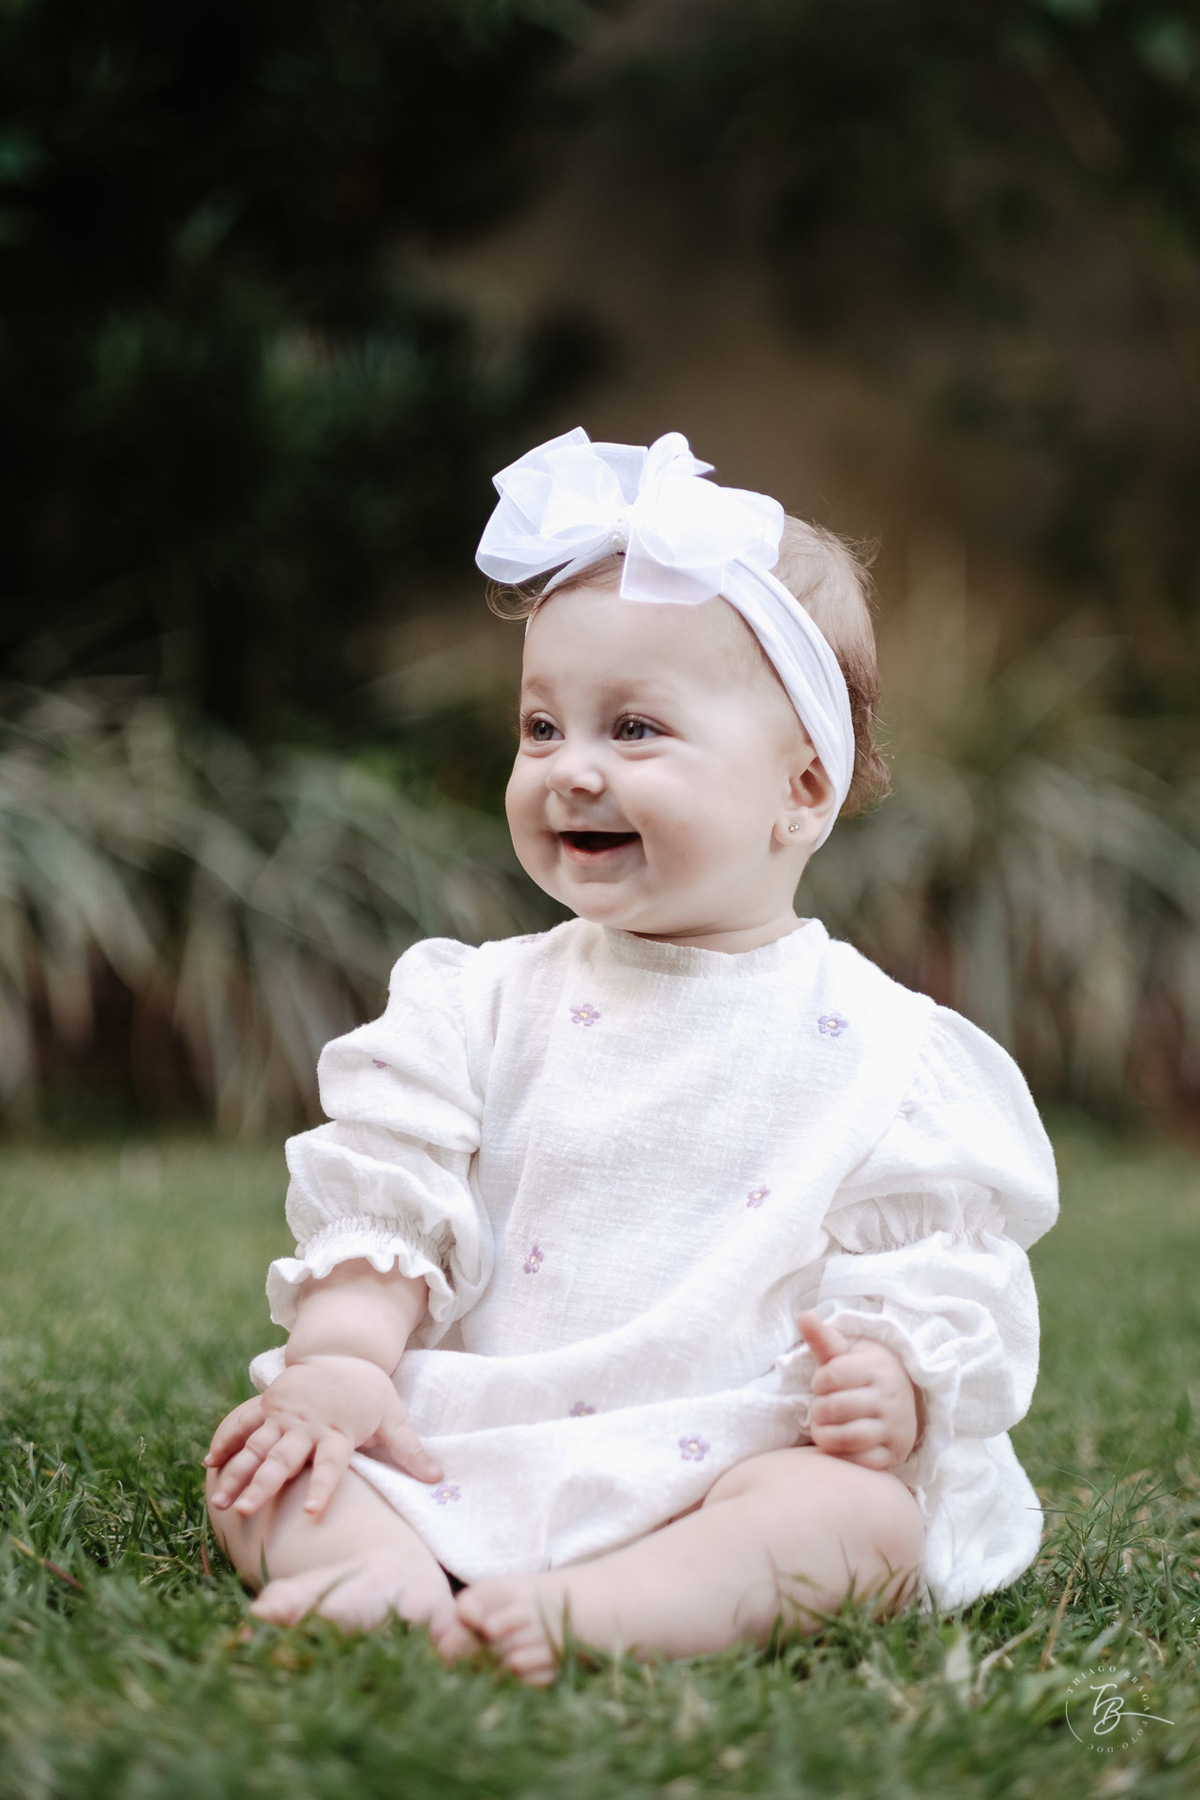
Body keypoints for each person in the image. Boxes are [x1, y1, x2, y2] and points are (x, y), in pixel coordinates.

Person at [204, 428, 1058, 1685]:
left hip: (730, 1451)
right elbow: (395, 1188)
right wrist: (340, 1360)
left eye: (637, 729)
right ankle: (372, 1581)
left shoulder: (888, 1049)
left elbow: (937, 1272)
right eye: (541, 727)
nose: (572, 770)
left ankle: (596, 1608)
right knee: (266, 1452)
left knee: (861, 1521)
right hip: (463, 1434)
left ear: (803, 790)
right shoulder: (477, 1000)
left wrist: (893, 1378)